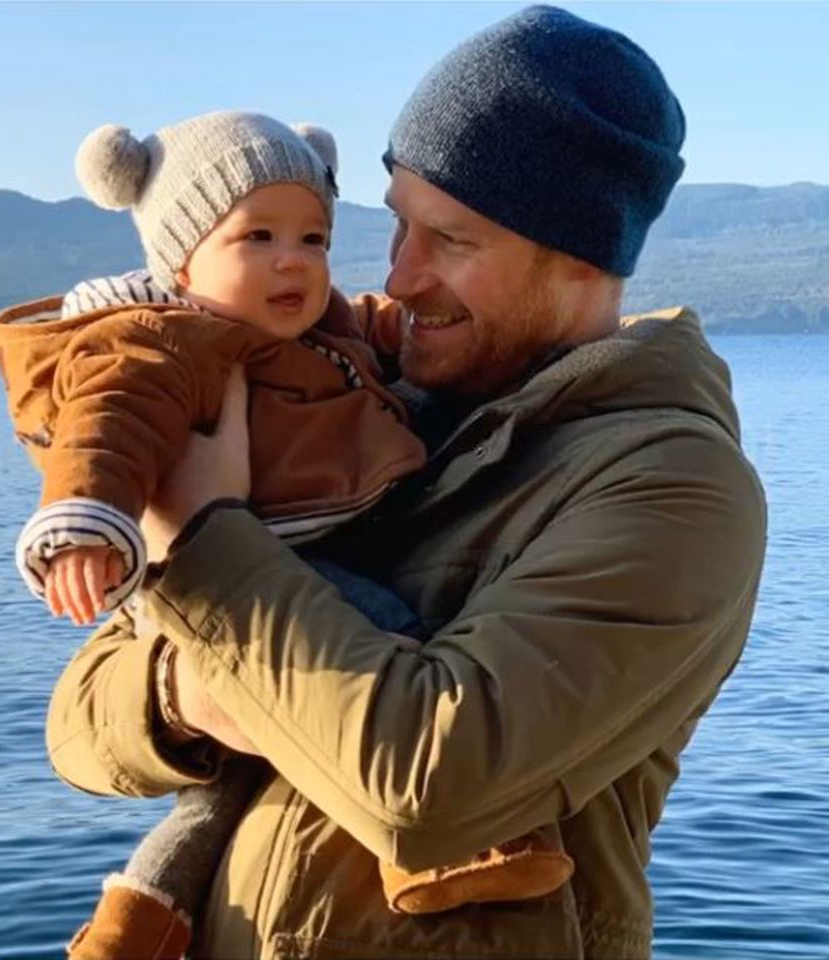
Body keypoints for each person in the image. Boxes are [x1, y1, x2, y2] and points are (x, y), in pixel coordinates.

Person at [46, 6, 767, 958]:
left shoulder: (674, 487)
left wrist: (200, 532)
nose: (400, 276)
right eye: (397, 225)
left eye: (454, 242)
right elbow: (77, 724)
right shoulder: (362, 395)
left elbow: (431, 790)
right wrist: (189, 695)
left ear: (583, 257)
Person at [0, 110, 572, 959]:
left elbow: (379, 333)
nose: (294, 259)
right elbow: (107, 427)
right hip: (254, 565)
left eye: (314, 236)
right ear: (180, 256)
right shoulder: (159, 345)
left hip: (264, 568)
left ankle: (137, 924)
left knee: (221, 791)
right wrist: (87, 526)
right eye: (256, 236)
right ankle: (477, 835)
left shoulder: (308, 326)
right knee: (395, 636)